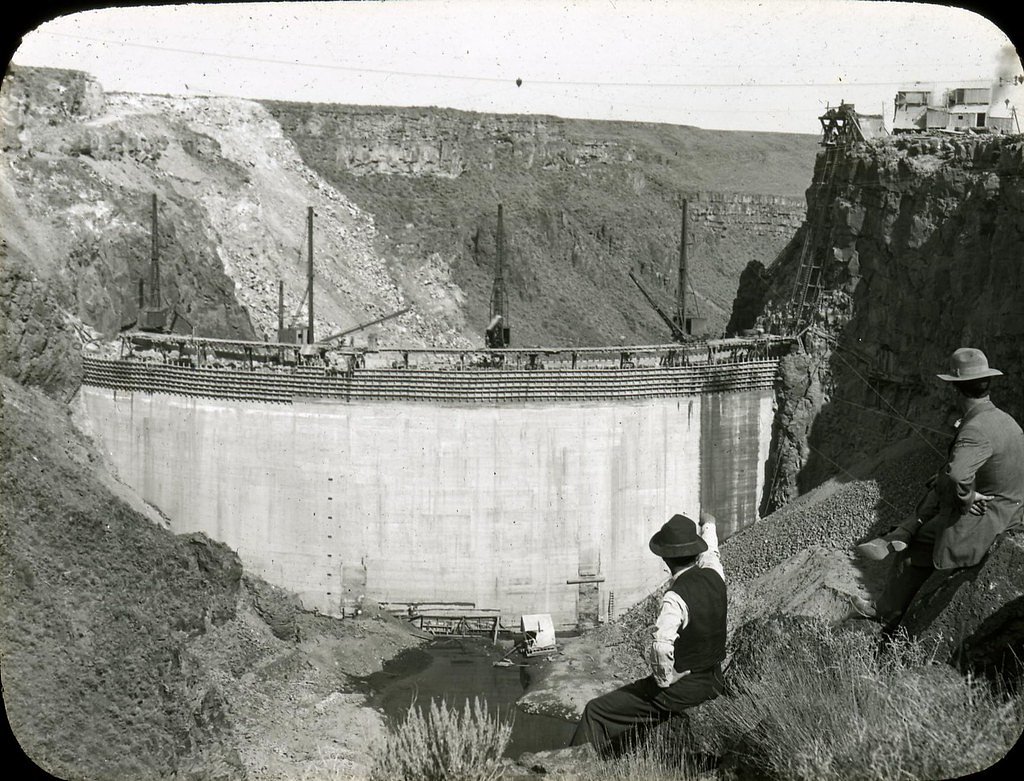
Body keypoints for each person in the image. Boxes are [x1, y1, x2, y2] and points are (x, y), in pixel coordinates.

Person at [852, 347, 1024, 625]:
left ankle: (885, 612)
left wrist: (967, 498)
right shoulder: (1007, 421)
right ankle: (904, 529)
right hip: (1012, 512)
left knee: (916, 547)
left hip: (989, 522)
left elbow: (957, 476)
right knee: (940, 483)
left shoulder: (976, 429)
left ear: (956, 389)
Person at [569, 513, 727, 756]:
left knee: (596, 711)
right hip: (714, 680)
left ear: (665, 558)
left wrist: (665, 679)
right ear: (696, 552)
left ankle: (573, 765)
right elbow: (712, 553)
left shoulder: (675, 597)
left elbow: (661, 645)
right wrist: (709, 524)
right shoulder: (715, 575)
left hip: (684, 690)